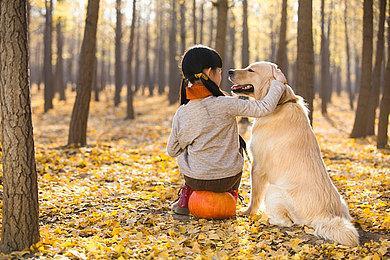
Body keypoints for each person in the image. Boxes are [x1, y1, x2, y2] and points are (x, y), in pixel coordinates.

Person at [166, 45, 286, 215]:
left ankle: (186, 197)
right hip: (227, 179)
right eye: (219, 71)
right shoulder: (226, 103)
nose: (221, 75)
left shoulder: (182, 112)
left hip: (196, 180)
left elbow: (172, 150)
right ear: (209, 72)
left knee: (186, 151)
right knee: (238, 143)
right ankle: (232, 195)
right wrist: (278, 84)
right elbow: (264, 108)